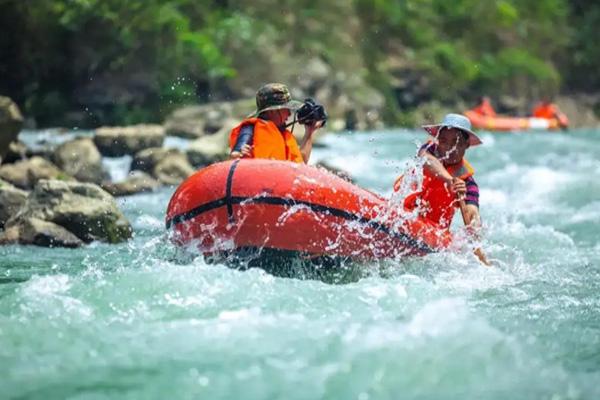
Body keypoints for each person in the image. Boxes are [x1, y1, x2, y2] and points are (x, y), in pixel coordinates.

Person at [393, 113, 484, 237]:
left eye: (456, 142)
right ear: (438, 140)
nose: (448, 148)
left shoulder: (468, 183)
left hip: (433, 232)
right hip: (403, 214)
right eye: (443, 141)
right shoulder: (429, 149)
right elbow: (425, 159)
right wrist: (449, 179)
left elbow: (473, 213)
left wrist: (474, 229)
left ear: (466, 145)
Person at [229, 83, 322, 163]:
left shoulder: (283, 135)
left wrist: (309, 132)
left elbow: (301, 162)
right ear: (272, 111)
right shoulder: (250, 128)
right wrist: (238, 152)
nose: (289, 114)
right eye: (285, 109)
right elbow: (238, 149)